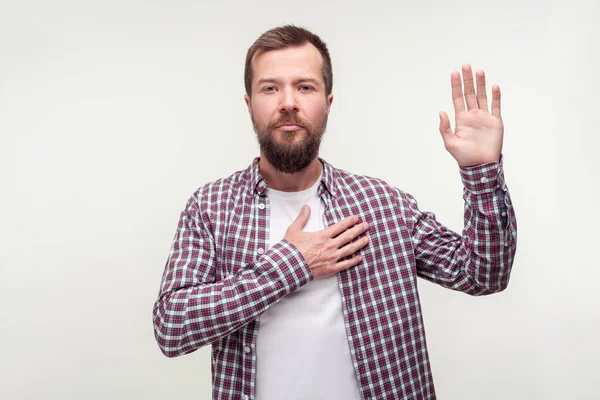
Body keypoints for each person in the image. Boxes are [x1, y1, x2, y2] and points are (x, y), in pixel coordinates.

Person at [152, 25, 517, 400]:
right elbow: (171, 327)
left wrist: (481, 173)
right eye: (270, 87)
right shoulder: (211, 208)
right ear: (249, 104)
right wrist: (291, 264)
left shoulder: (383, 204)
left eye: (305, 87)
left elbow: (484, 274)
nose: (288, 102)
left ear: (328, 101)